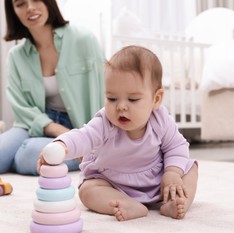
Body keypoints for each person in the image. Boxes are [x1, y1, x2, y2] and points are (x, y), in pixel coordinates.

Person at [0, 0, 104, 175]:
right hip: (35, 124)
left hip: (79, 127)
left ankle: (12, 160)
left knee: (29, 155)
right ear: (13, 11)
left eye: (36, 0)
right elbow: (21, 106)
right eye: (20, 3)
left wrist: (87, 139)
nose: (30, 7)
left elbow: (102, 92)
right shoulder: (16, 56)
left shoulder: (84, 40)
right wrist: (56, 129)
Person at [37, 46, 199, 221]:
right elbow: (84, 136)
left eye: (133, 99)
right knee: (87, 191)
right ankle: (127, 204)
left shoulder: (160, 120)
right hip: (112, 182)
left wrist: (172, 173)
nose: (121, 106)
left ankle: (175, 202)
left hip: (157, 182)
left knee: (190, 169)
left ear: (156, 99)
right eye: (112, 98)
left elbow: (176, 146)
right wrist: (61, 145)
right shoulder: (105, 122)